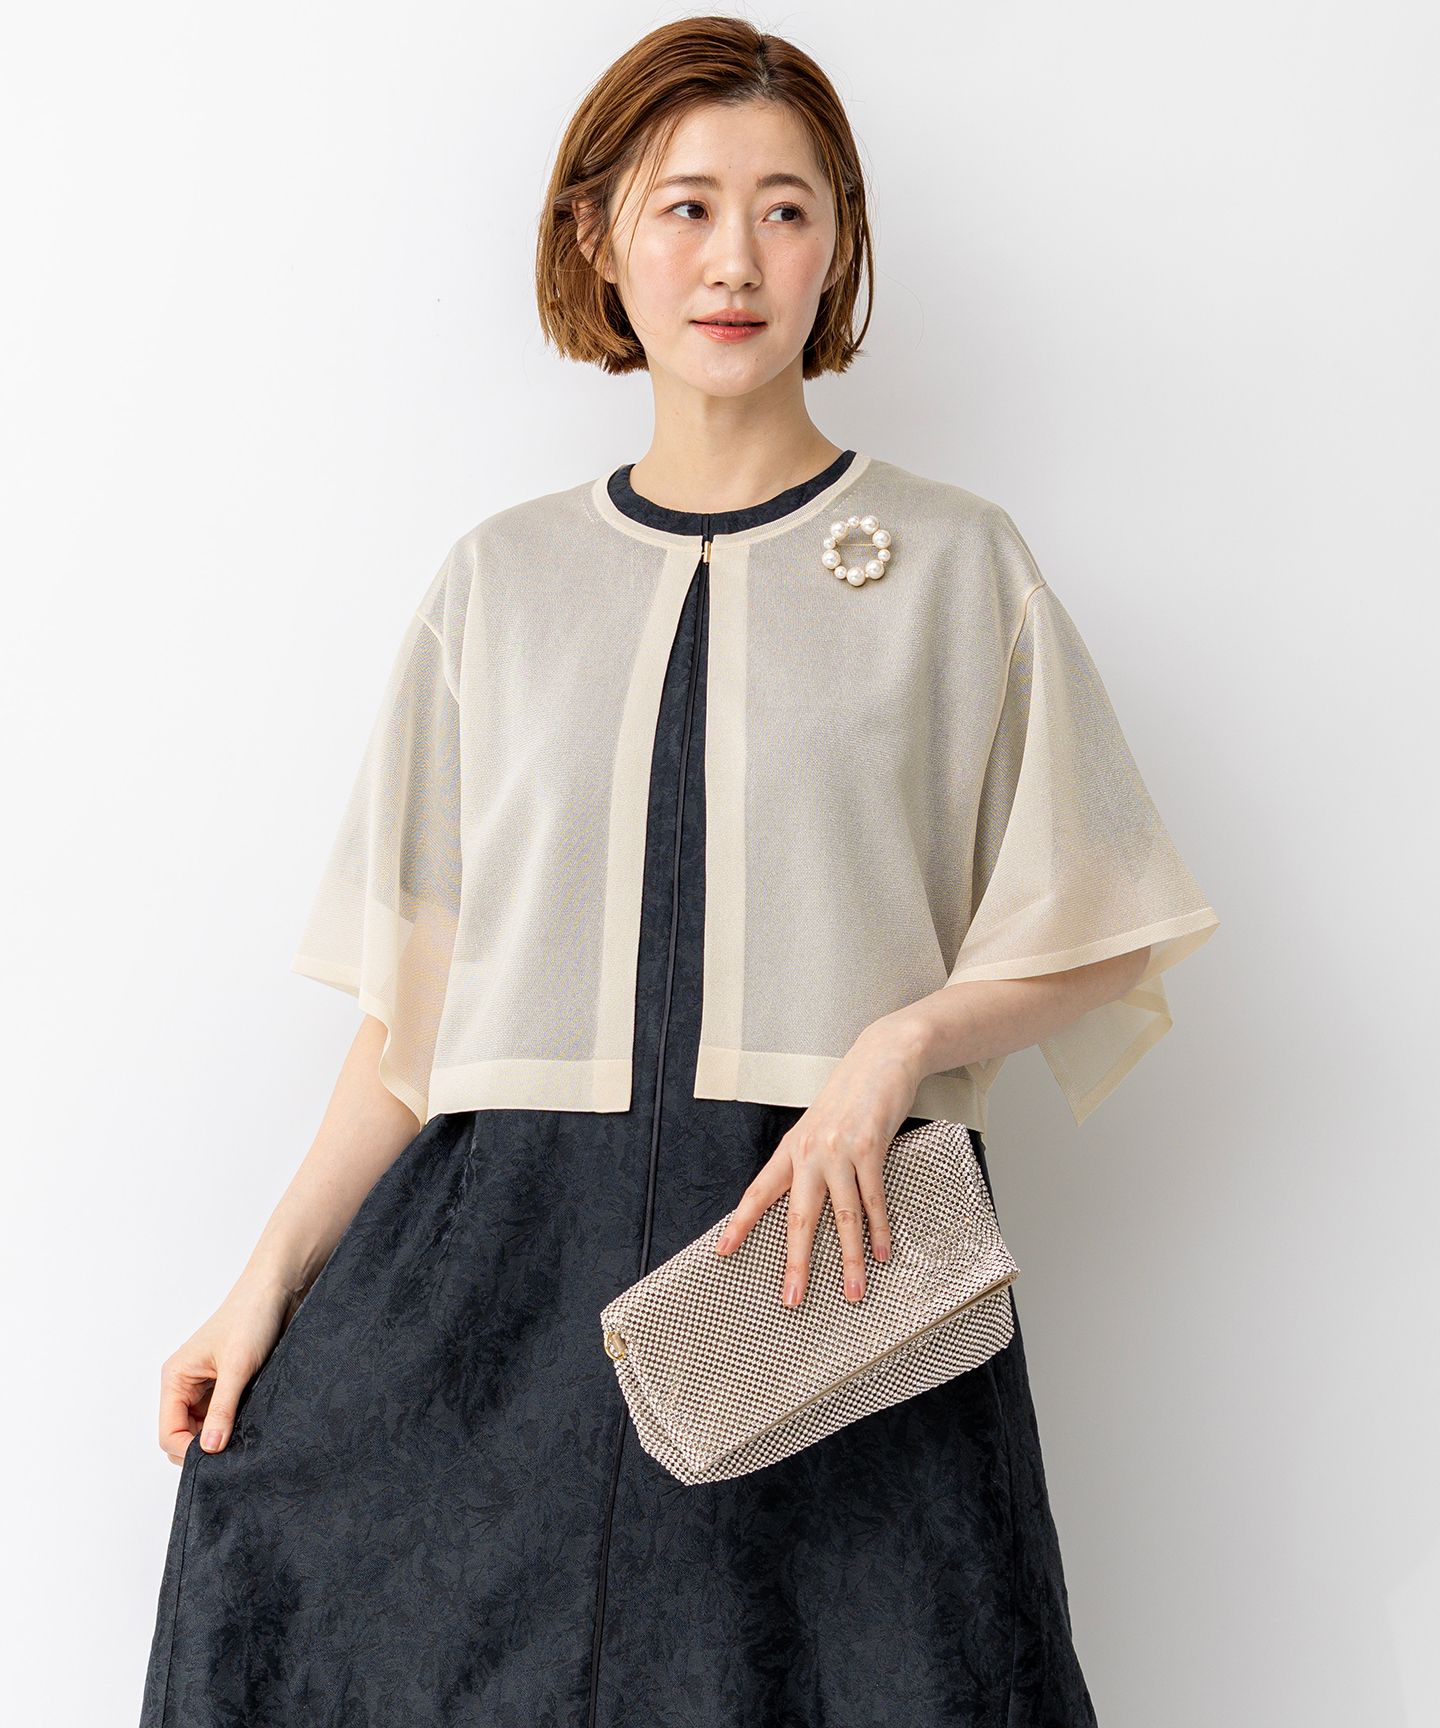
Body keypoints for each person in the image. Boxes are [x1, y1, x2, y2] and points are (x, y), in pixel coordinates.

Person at [138, 16, 1219, 1726]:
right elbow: (419, 1023)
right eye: (687, 206)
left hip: (818, 1258)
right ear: (598, 236)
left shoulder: (957, 565)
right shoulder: (498, 583)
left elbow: (1105, 918)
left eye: (788, 210)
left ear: (839, 246)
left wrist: (896, 1049)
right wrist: (257, 1286)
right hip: (501, 1270)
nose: (736, 260)